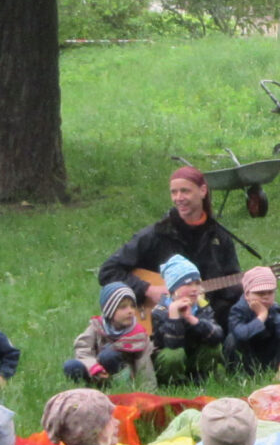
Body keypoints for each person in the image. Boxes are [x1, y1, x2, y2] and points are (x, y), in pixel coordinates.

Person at [99, 165, 252, 328]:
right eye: (174, 192)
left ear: (203, 191)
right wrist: (148, 290)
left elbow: (231, 282)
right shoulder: (156, 234)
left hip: (205, 314)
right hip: (162, 319)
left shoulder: (219, 236)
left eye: (185, 191)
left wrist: (249, 284)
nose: (178, 198)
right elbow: (108, 271)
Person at [150, 258, 225, 384]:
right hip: (170, 361)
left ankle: (201, 378)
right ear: (174, 289)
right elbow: (171, 344)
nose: (195, 289)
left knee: (214, 347)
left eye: (197, 283)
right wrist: (174, 315)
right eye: (188, 284)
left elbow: (217, 336)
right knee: (174, 355)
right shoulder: (160, 311)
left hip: (194, 355)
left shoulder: (202, 307)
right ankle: (175, 383)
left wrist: (192, 319)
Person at [70, 282, 157, 390]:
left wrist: (148, 390)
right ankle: (85, 392)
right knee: (71, 366)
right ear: (109, 311)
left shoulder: (137, 334)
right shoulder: (96, 327)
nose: (130, 311)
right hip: (97, 371)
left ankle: (120, 388)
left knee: (109, 355)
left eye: (132, 306)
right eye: (123, 307)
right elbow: (83, 349)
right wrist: (93, 367)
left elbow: (144, 365)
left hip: (124, 375)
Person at [226, 265, 280, 377]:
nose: (266, 297)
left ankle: (273, 370)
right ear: (247, 294)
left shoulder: (273, 309)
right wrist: (261, 316)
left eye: (270, 292)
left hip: (266, 355)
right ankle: (236, 375)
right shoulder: (238, 310)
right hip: (245, 355)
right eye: (260, 293)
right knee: (231, 340)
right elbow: (241, 335)